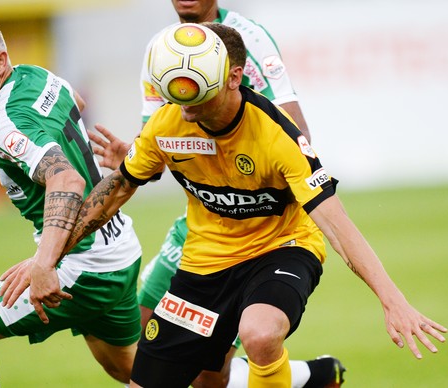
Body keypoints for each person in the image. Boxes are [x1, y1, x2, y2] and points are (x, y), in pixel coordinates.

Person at [51, 22, 446, 387]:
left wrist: (393, 302)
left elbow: (337, 224)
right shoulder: (168, 124)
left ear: (234, 78)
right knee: (200, 378)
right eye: (178, 96)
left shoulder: (277, 137)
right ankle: (315, 376)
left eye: (198, 94)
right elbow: (117, 188)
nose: (186, 108)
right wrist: (46, 259)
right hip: (206, 261)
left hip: (283, 248)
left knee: (259, 334)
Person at [87, 1, 342, 386]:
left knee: (213, 368)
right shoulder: (162, 50)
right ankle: (309, 376)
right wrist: (136, 157)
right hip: (202, 219)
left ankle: (311, 375)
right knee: (144, 333)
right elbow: (158, 144)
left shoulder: (248, 38)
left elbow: (297, 131)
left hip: (258, 226)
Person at [0, 14, 143, 387]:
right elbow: (73, 101)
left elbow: (67, 179)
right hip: (119, 248)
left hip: (81, 267)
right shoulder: (38, 76)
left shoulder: (2, 124)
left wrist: (44, 264)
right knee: (133, 372)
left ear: (0, 62)